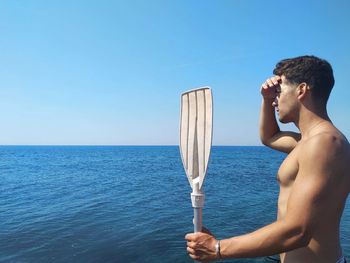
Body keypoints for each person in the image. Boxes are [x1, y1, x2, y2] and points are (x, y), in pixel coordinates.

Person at [185, 55, 350, 263]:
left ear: (301, 90)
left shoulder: (325, 143)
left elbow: (298, 231)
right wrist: (265, 98)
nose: (275, 100)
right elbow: (269, 137)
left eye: (279, 92)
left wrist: (217, 248)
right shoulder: (306, 142)